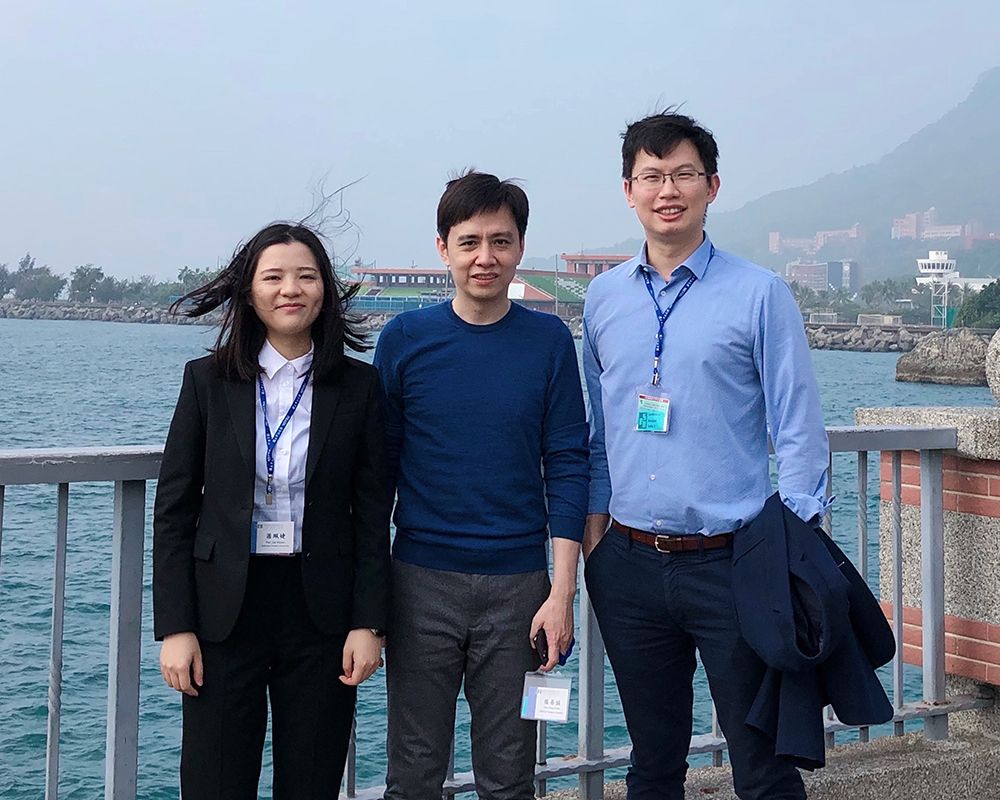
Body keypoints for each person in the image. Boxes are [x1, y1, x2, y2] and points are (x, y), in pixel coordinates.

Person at [581, 111, 830, 800]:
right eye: (652, 176)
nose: (668, 190)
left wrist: (791, 545)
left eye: (684, 174)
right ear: (628, 190)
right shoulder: (602, 298)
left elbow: (799, 428)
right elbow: (599, 434)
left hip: (734, 561)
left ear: (712, 186)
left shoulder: (759, 293)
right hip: (629, 562)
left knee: (762, 764)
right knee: (651, 760)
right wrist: (597, 541)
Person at [153, 222, 391, 799]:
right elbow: (174, 511)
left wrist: (369, 624)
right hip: (223, 611)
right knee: (214, 782)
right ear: (249, 291)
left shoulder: (358, 387)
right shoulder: (208, 381)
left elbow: (372, 514)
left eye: (306, 276)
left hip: (321, 611)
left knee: (311, 781)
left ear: (325, 290)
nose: (291, 289)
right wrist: (176, 627)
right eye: (274, 277)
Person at [375, 171, 589, 800]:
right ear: (442, 248)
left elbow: (567, 463)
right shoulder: (405, 340)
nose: (485, 257)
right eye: (469, 242)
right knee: (413, 772)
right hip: (419, 581)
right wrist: (369, 597)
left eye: (501, 241)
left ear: (521, 247)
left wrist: (561, 593)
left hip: (519, 587)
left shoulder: (549, 341)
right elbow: (377, 472)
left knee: (509, 775)